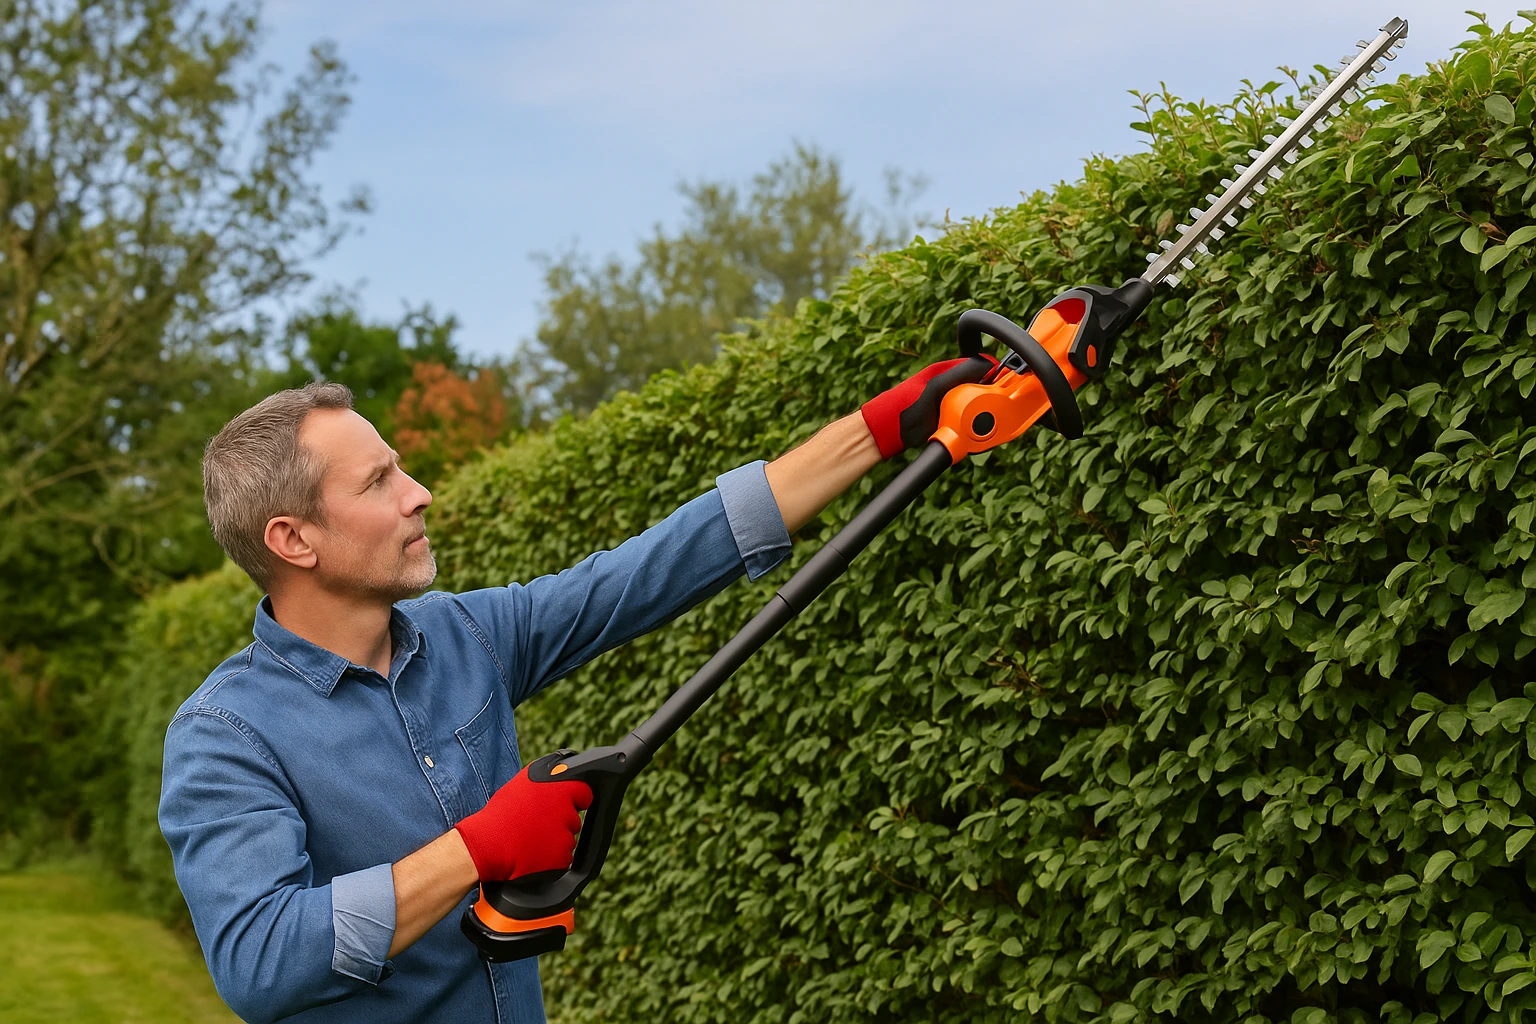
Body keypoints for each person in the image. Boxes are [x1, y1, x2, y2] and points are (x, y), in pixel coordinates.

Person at [159, 353, 993, 1024]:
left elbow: (651, 569)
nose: (420, 495)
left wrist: (878, 430)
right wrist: (476, 850)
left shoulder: (466, 635)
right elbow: (260, 962)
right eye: (378, 482)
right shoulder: (227, 733)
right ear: (292, 539)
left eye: (400, 468)